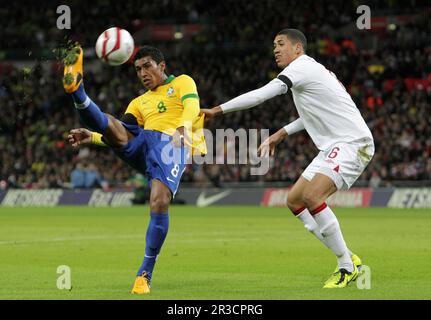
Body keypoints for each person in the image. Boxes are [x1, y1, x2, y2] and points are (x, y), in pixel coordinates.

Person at [202, 28, 374, 288]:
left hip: (352, 142)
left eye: (281, 44)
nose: (275, 49)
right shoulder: (312, 72)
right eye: (273, 45)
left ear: (298, 48)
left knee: (312, 197)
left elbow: (262, 94)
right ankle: (349, 257)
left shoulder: (301, 68)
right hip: (333, 146)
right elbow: (312, 114)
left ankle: (345, 266)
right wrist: (280, 133)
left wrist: (218, 110)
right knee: (294, 201)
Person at [63, 44, 206, 294]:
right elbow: (120, 132)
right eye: (138, 69)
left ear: (162, 66)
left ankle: (144, 273)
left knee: (159, 202)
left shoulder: (183, 82)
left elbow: (192, 107)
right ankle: (78, 92)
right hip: (143, 141)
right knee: (112, 123)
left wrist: (183, 127)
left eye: (147, 66)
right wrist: (94, 137)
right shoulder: (139, 102)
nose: (142, 73)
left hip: (171, 143)